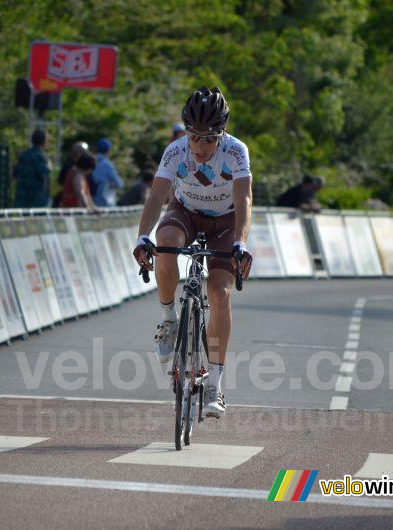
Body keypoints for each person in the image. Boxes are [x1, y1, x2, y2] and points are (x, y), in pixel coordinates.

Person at [133, 86, 253, 418]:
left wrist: (240, 242)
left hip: (225, 221)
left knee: (219, 293)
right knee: (166, 238)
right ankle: (169, 318)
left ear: (222, 134)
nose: (201, 146)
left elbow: (243, 200)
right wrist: (143, 236)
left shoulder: (236, 152)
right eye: (194, 137)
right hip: (185, 212)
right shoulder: (174, 152)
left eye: (210, 138)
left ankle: (214, 383)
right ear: (186, 132)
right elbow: (156, 199)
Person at [13, 129, 51, 207]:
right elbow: (45, 177)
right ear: (44, 141)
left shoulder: (23, 155)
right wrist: (44, 195)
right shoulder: (41, 157)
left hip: (22, 198)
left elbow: (14, 174)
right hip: (36, 200)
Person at [90, 137, 123, 207]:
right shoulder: (107, 164)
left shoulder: (90, 161)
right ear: (108, 150)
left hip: (91, 200)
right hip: (105, 202)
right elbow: (119, 184)